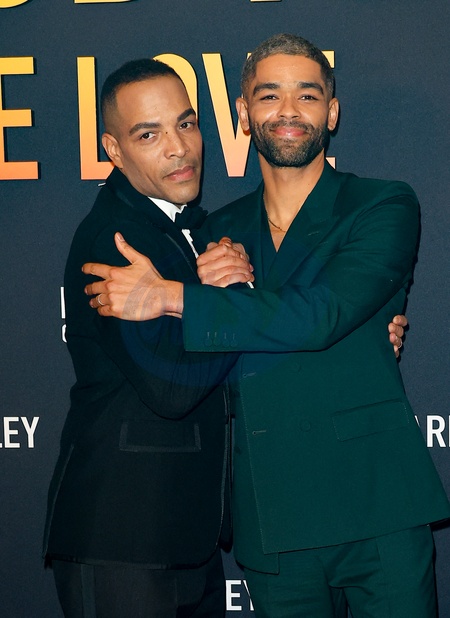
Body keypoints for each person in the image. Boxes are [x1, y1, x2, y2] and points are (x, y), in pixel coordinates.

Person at [83, 34, 450, 617]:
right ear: (243, 113)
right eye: (269, 95)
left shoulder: (381, 205)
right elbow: (200, 362)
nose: (288, 110)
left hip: (377, 504)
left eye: (308, 95)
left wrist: (176, 297)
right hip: (271, 516)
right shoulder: (212, 235)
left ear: (332, 111)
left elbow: (323, 314)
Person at [43, 58, 245, 618]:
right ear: (113, 149)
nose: (179, 148)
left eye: (186, 124)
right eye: (149, 134)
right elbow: (171, 387)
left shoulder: (189, 228)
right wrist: (230, 299)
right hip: (124, 539)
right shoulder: (115, 240)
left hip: (182, 537)